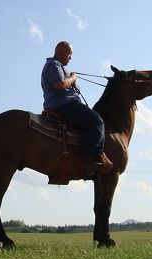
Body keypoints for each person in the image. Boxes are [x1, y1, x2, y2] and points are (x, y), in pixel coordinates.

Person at [41, 41, 113, 174]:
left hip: (61, 103)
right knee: (96, 121)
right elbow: (59, 84)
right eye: (69, 53)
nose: (71, 57)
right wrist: (73, 78)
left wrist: (71, 79)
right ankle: (91, 160)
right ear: (60, 52)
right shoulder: (53, 64)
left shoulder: (58, 66)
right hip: (63, 104)